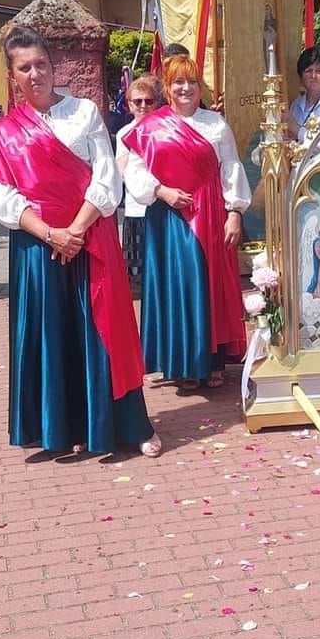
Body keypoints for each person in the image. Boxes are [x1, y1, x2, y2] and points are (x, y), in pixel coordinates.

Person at [0, 25, 160, 459]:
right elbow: (4, 199)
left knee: (106, 331)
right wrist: (51, 234)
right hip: (38, 249)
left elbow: (106, 177)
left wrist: (75, 230)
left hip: (91, 237)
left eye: (41, 64)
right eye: (24, 68)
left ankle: (129, 424)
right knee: (53, 335)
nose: (34, 74)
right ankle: (67, 427)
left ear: (53, 66)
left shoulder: (84, 113)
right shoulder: (6, 132)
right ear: (12, 76)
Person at [122, 54, 250, 393]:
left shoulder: (216, 125)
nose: (185, 88)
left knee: (209, 284)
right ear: (167, 87)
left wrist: (235, 212)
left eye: (192, 81)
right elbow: (135, 170)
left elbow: (231, 168)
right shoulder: (149, 127)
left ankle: (213, 361)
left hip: (210, 212)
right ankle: (183, 363)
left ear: (200, 87)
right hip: (169, 216)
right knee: (179, 285)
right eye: (178, 82)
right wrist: (161, 191)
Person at [114, 73, 161, 296]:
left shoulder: (165, 128)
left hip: (164, 204)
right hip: (137, 207)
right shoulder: (124, 133)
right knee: (140, 275)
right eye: (138, 101)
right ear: (129, 104)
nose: (143, 106)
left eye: (148, 101)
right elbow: (122, 170)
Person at [287, 47, 320, 140]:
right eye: (308, 71)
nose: (313, 76)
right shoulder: (295, 105)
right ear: (301, 77)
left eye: (318, 71)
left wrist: (297, 130)